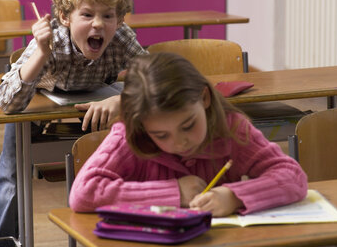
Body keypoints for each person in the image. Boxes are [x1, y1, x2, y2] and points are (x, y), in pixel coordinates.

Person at [0, 0, 147, 245]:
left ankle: (122, 232)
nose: (98, 24)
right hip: (41, 100)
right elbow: (8, 104)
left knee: (135, 144)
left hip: (96, 98)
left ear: (120, 19)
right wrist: (40, 53)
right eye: (87, 14)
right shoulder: (53, 39)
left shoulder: (122, 38)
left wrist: (121, 99)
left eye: (107, 16)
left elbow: (156, 79)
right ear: (65, 16)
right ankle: (3, 240)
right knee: (11, 176)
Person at [69, 52, 308, 217]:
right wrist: (174, 193)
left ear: (204, 98)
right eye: (161, 135)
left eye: (188, 125)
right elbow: (84, 193)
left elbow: (292, 176)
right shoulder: (129, 137)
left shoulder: (231, 129)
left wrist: (234, 197)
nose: (179, 142)